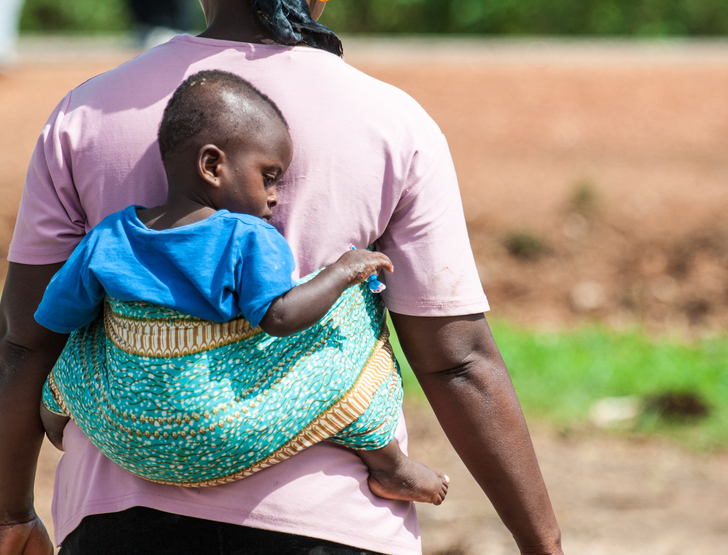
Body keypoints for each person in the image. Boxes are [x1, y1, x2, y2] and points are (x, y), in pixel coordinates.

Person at [0, 0, 565, 554]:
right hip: (331, 526)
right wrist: (540, 541)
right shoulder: (391, 124)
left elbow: (25, 342)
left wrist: (11, 512)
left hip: (118, 525)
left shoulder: (84, 117)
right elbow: (456, 359)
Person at [33, 69, 449, 504]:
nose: (275, 197)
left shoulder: (109, 236)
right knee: (350, 322)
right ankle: (389, 464)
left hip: (126, 434)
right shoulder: (246, 236)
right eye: (268, 176)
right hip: (220, 427)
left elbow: (58, 314)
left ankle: (55, 417)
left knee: (82, 342)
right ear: (212, 166)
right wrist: (343, 272)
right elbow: (280, 316)